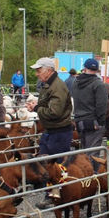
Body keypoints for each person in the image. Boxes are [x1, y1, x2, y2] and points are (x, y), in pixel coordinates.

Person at [27, 57, 73, 205]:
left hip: (59, 131)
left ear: (49, 70)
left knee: (56, 164)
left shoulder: (57, 86)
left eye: (39, 70)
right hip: (52, 130)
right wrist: (37, 106)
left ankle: (58, 194)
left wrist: (37, 109)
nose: (37, 74)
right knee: (46, 161)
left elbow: (55, 112)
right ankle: (51, 194)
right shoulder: (49, 84)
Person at [72, 58, 108, 154]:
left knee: (84, 151)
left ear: (84, 68)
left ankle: (85, 168)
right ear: (97, 70)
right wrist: (100, 122)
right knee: (92, 153)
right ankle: (92, 169)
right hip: (93, 121)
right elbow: (102, 105)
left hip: (79, 121)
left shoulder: (76, 83)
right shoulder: (98, 84)